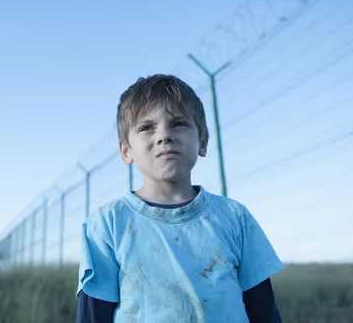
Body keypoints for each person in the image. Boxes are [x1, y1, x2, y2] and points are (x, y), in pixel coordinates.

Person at [75, 74, 284, 322]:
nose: (164, 135)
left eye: (179, 124)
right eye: (146, 127)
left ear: (202, 142)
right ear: (126, 151)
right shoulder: (107, 225)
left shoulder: (236, 218)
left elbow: (264, 311)